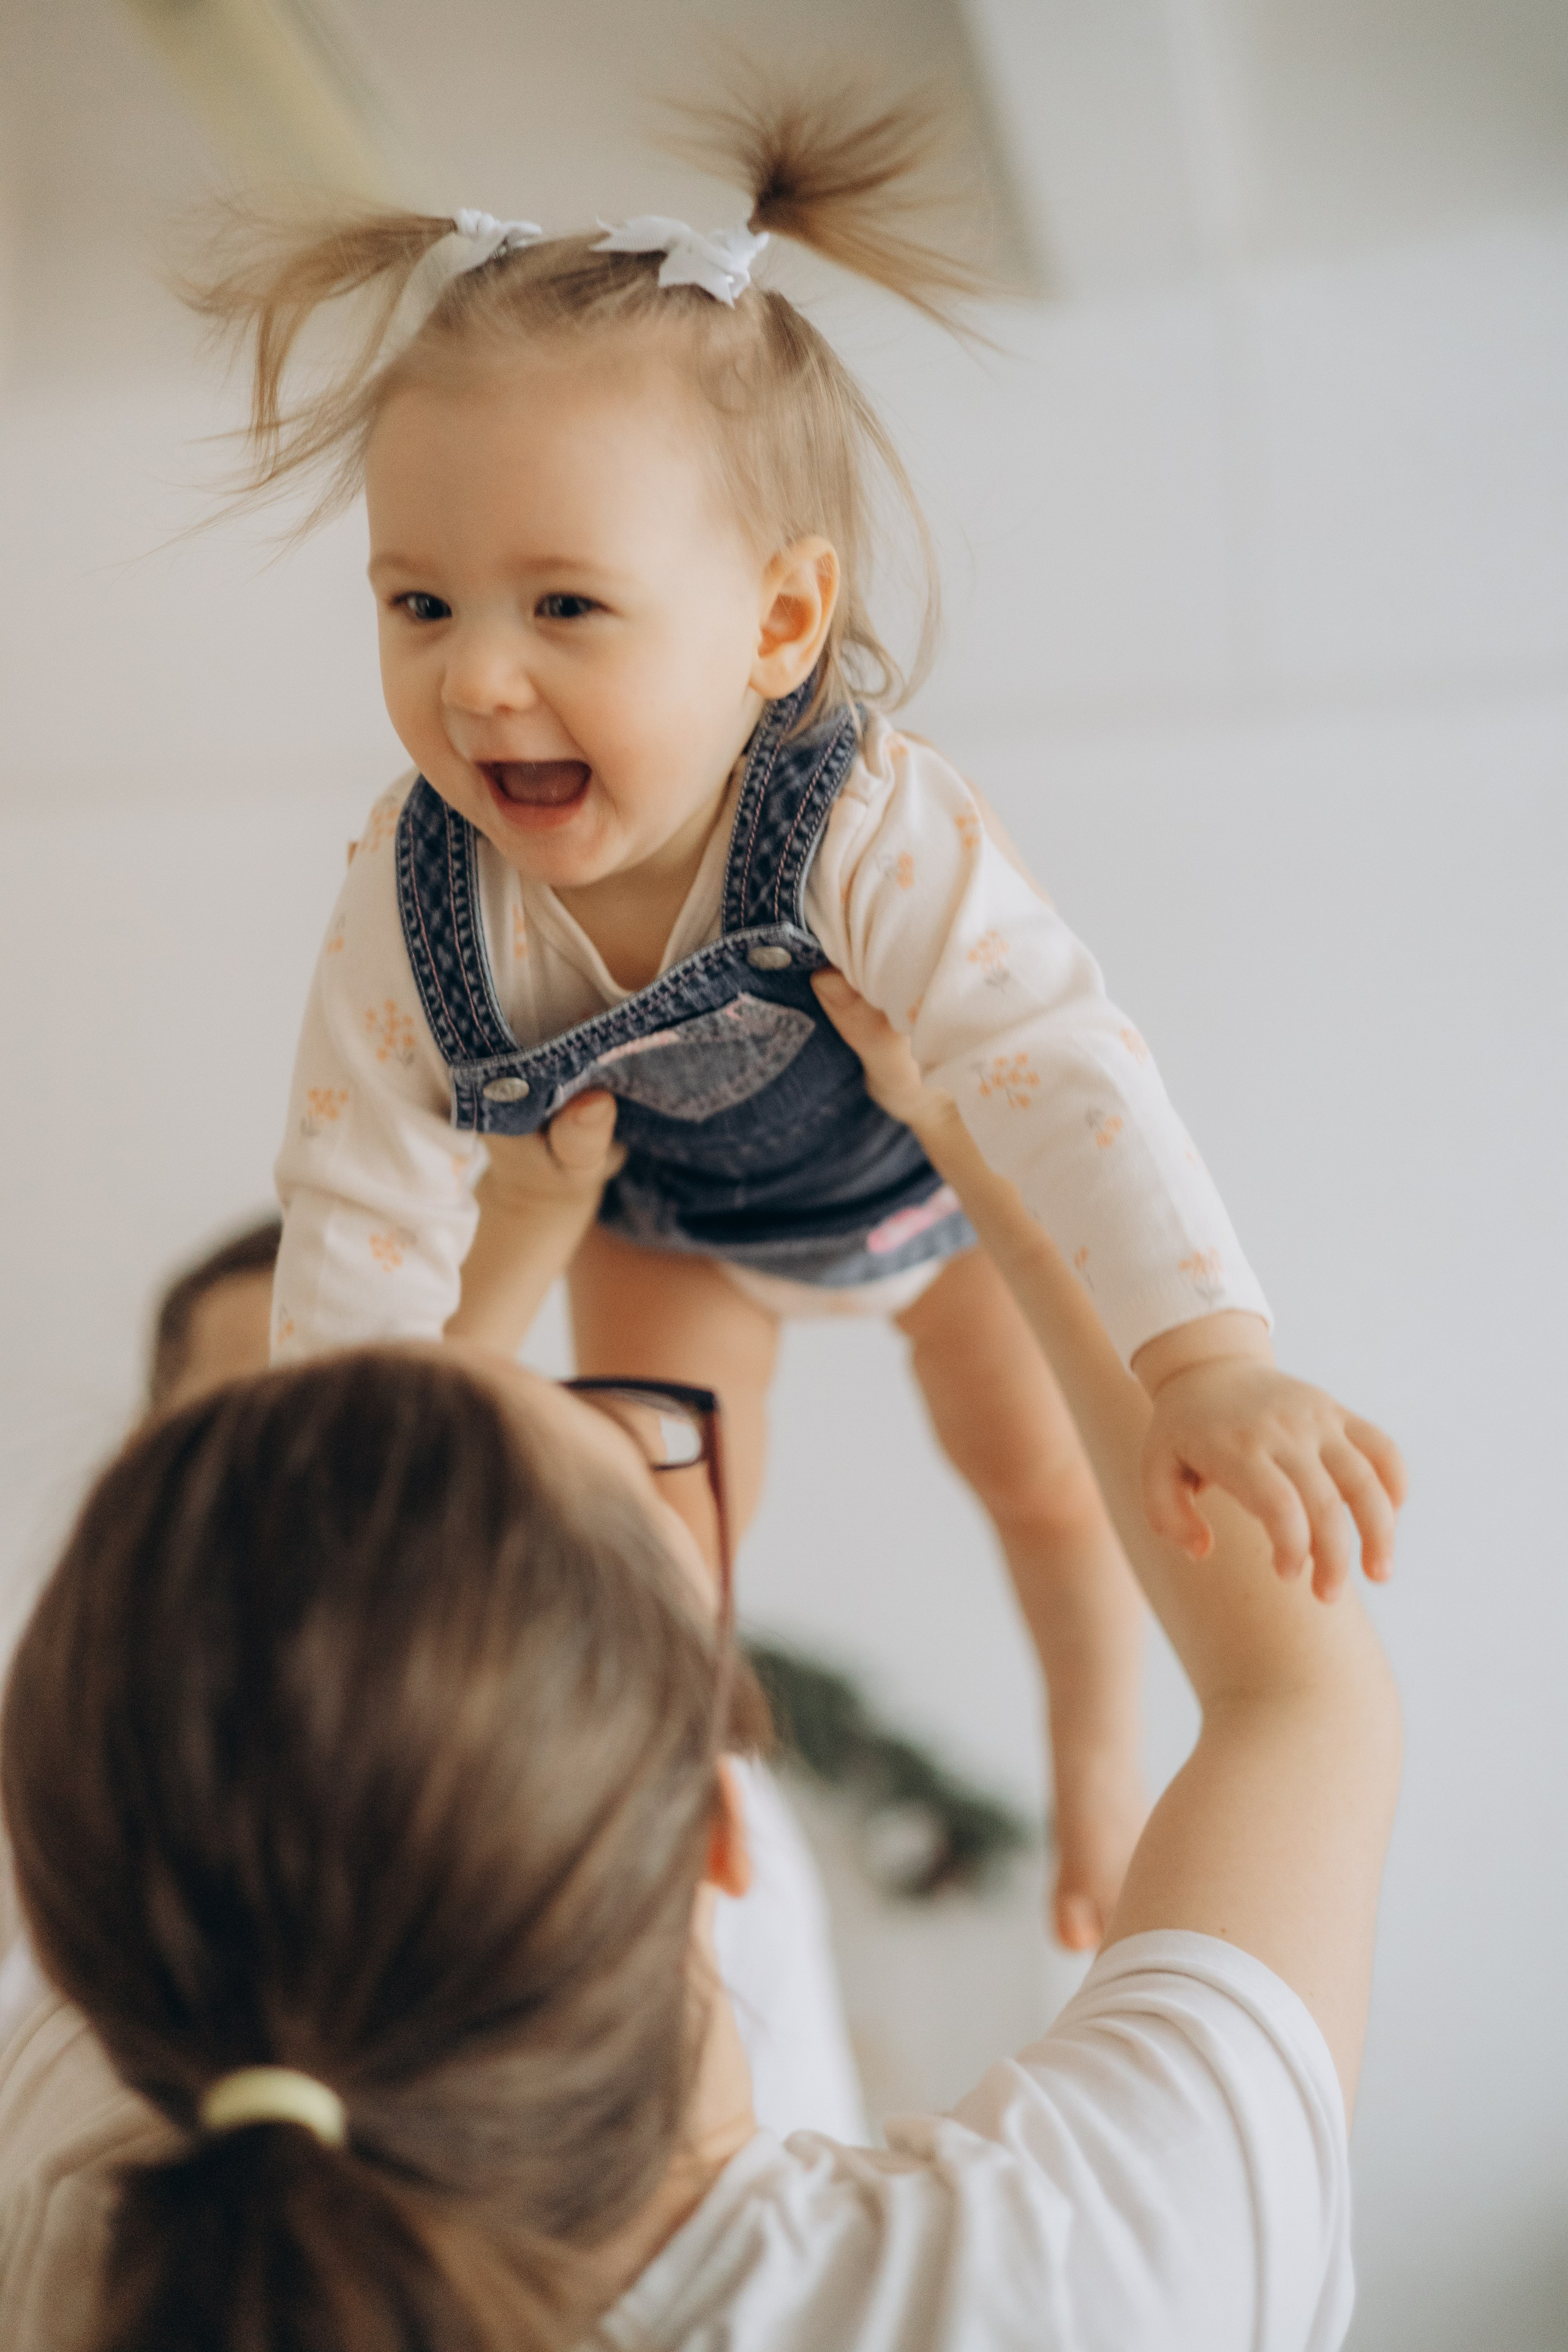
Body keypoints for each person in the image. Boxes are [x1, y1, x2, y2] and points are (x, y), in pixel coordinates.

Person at [189, 91, 1401, 1947]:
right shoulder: (412, 899)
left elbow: (1053, 1058)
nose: (477, 675)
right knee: (666, 1518)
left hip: (926, 1185)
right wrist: (327, 1470)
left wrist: (1205, 1356)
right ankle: (682, 1799)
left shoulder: (852, 817)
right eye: (417, 602)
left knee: (1043, 1472)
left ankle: (1095, 1759)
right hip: (681, 1226)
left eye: (565, 605)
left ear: (776, 621)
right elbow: (359, 1196)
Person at [0, 984, 1401, 2350]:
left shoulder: (71, 2208)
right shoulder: (1067, 2287)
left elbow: (297, 1648)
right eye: (635, 1449)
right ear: (725, 1831)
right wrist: (996, 1152)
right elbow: (1298, 1699)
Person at [102, 1148, 868, 2146]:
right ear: (145, 1473)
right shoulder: (76, 1781)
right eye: (253, 1447)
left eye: (381, 1459)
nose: (321, 1512)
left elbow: (792, 2157)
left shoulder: (641, 1782)